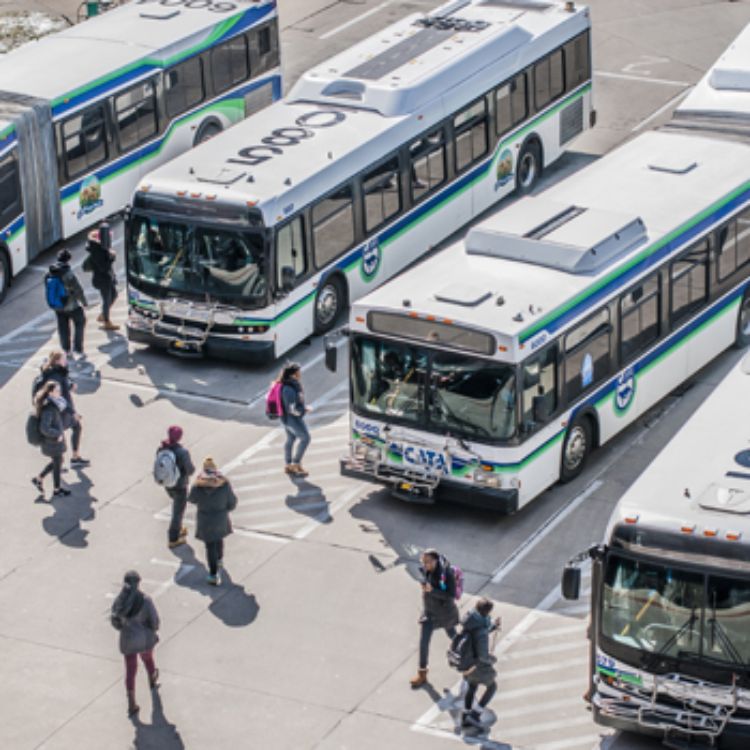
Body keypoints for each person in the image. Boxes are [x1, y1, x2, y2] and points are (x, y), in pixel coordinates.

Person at [110, 570, 160, 717]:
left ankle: (131, 701)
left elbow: (115, 621)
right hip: (144, 638)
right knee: (148, 659)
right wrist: (152, 630)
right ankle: (152, 679)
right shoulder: (145, 600)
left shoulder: (119, 601)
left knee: (130, 670)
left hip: (127, 640)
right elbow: (155, 621)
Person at [410, 549, 459, 688]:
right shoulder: (426, 570)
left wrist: (433, 591)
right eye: (423, 562)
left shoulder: (447, 574)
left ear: (436, 560)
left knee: (455, 637)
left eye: (428, 562)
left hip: (445, 614)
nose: (425, 565)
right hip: (430, 613)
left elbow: (450, 596)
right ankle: (422, 673)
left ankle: (471, 657)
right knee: (423, 643)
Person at [188, 457, 237, 585]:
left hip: (205, 520)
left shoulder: (198, 486)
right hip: (220, 518)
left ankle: (213, 574)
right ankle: (219, 559)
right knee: (219, 539)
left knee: (209, 546)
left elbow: (191, 499)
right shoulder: (224, 485)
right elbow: (232, 503)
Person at [36, 350, 89, 467]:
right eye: (63, 359)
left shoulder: (56, 371)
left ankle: (65, 460)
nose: (66, 361)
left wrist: (70, 384)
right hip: (60, 411)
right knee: (61, 434)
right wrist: (72, 412)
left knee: (69, 430)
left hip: (60, 410)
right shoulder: (56, 376)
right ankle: (61, 463)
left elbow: (65, 380)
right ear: (57, 361)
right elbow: (59, 397)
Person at [461, 598, 500, 730]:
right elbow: (483, 656)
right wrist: (492, 660)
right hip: (478, 665)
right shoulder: (481, 632)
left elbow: (479, 630)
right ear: (487, 612)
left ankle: (465, 715)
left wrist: (492, 626)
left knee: (472, 686)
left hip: (467, 663)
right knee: (492, 687)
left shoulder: (470, 620)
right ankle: (475, 715)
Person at [31, 381, 70, 499]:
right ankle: (57, 489)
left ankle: (39, 479)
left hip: (53, 441)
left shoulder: (53, 404)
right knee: (58, 462)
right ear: (51, 392)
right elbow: (44, 428)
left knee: (58, 461)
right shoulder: (49, 408)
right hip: (52, 442)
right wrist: (57, 433)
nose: (60, 392)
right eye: (57, 390)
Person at [48, 248, 88, 359]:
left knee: (63, 328)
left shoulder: (50, 273)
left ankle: (66, 350)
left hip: (58, 306)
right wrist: (84, 302)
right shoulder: (68, 273)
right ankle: (78, 349)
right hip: (71, 306)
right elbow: (78, 289)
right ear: (68, 259)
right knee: (80, 323)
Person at [159, 425, 195, 549]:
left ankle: (178, 529)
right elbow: (190, 470)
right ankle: (173, 537)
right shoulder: (182, 452)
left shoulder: (162, 448)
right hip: (180, 486)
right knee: (178, 512)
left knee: (176, 507)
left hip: (167, 484)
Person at [84, 224, 119, 330]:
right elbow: (103, 267)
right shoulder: (97, 251)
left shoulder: (101, 249)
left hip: (107, 277)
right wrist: (112, 257)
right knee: (107, 299)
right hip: (102, 279)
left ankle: (103, 314)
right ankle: (107, 322)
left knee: (114, 294)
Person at [279, 362, 311, 477]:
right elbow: (291, 409)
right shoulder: (289, 388)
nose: (300, 373)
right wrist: (303, 411)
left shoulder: (291, 384)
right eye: (298, 371)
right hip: (292, 419)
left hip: (287, 419)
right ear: (293, 374)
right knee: (306, 438)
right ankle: (295, 464)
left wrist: (303, 408)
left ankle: (288, 464)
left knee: (291, 439)